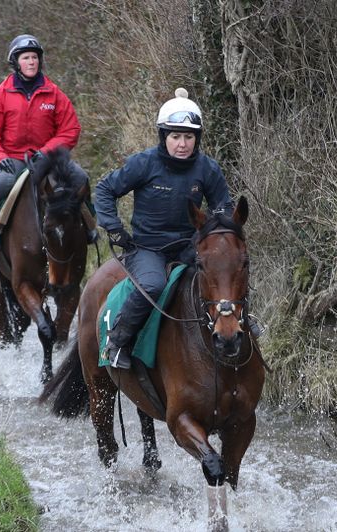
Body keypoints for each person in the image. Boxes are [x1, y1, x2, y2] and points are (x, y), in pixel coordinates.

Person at [95, 88, 237, 369]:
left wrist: (219, 227)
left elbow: (224, 206)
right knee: (153, 285)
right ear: (164, 137)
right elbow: (105, 189)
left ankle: (241, 327)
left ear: (196, 139)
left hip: (189, 247)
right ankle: (118, 341)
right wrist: (113, 228)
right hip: (148, 249)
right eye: (175, 137)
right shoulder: (144, 163)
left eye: (188, 137)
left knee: (227, 271)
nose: (182, 144)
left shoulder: (207, 169)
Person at [0, 33, 98, 254]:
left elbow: (71, 129)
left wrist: (47, 151)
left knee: (80, 177)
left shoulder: (54, 93)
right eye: (26, 58)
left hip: (48, 159)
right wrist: (0, 158)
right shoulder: (1, 94)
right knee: (1, 184)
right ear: (16, 63)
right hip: (14, 158)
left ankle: (88, 227)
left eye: (34, 57)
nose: (31, 62)